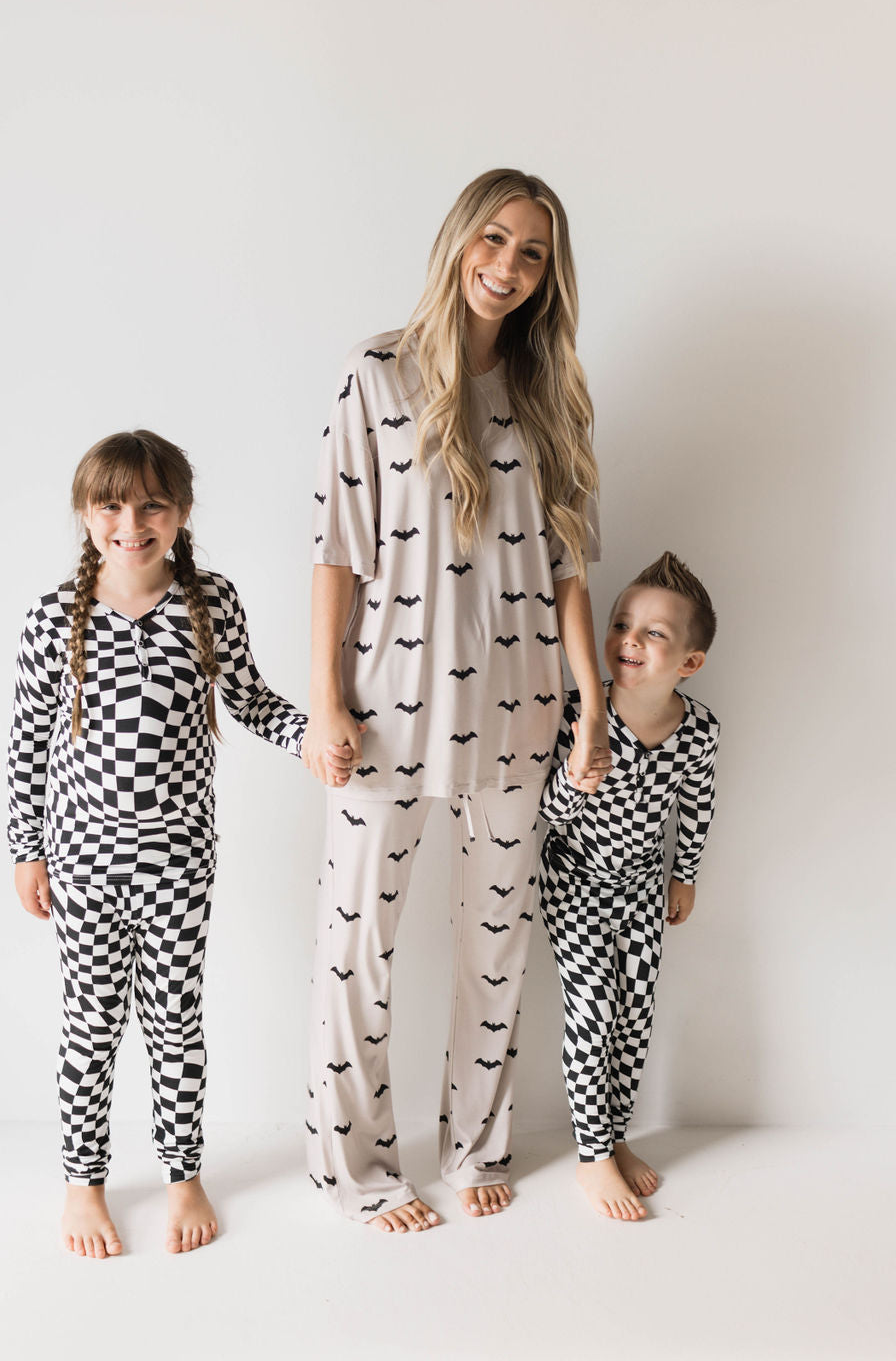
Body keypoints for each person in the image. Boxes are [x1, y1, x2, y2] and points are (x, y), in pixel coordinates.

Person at [302, 167, 610, 1231]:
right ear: (456, 241)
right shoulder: (374, 371)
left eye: (531, 254)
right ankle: (358, 1170)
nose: (507, 267)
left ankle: (479, 1143)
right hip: (386, 705)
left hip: (521, 708)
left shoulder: (552, 391)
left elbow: (573, 566)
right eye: (494, 240)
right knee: (357, 950)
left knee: (495, 945)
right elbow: (336, 552)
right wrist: (323, 701)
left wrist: (592, 700)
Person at [8, 430, 349, 1258]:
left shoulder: (212, 602)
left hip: (179, 861)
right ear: (86, 515)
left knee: (174, 1021)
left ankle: (183, 1173)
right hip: (84, 863)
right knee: (90, 1024)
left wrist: (317, 734)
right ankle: (83, 1184)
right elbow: (26, 744)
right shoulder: (57, 616)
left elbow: (254, 701)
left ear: (182, 511)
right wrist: (28, 848)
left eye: (152, 503)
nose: (132, 521)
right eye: (112, 504)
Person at [538, 551, 720, 1221]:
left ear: (688, 662)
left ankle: (613, 1135)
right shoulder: (580, 715)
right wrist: (572, 780)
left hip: (643, 888)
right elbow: (545, 817)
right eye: (621, 624)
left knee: (634, 1017)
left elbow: (696, 808)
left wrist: (685, 875)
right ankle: (591, 1158)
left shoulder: (698, 732)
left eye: (653, 633)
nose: (628, 641)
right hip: (577, 882)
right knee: (593, 1010)